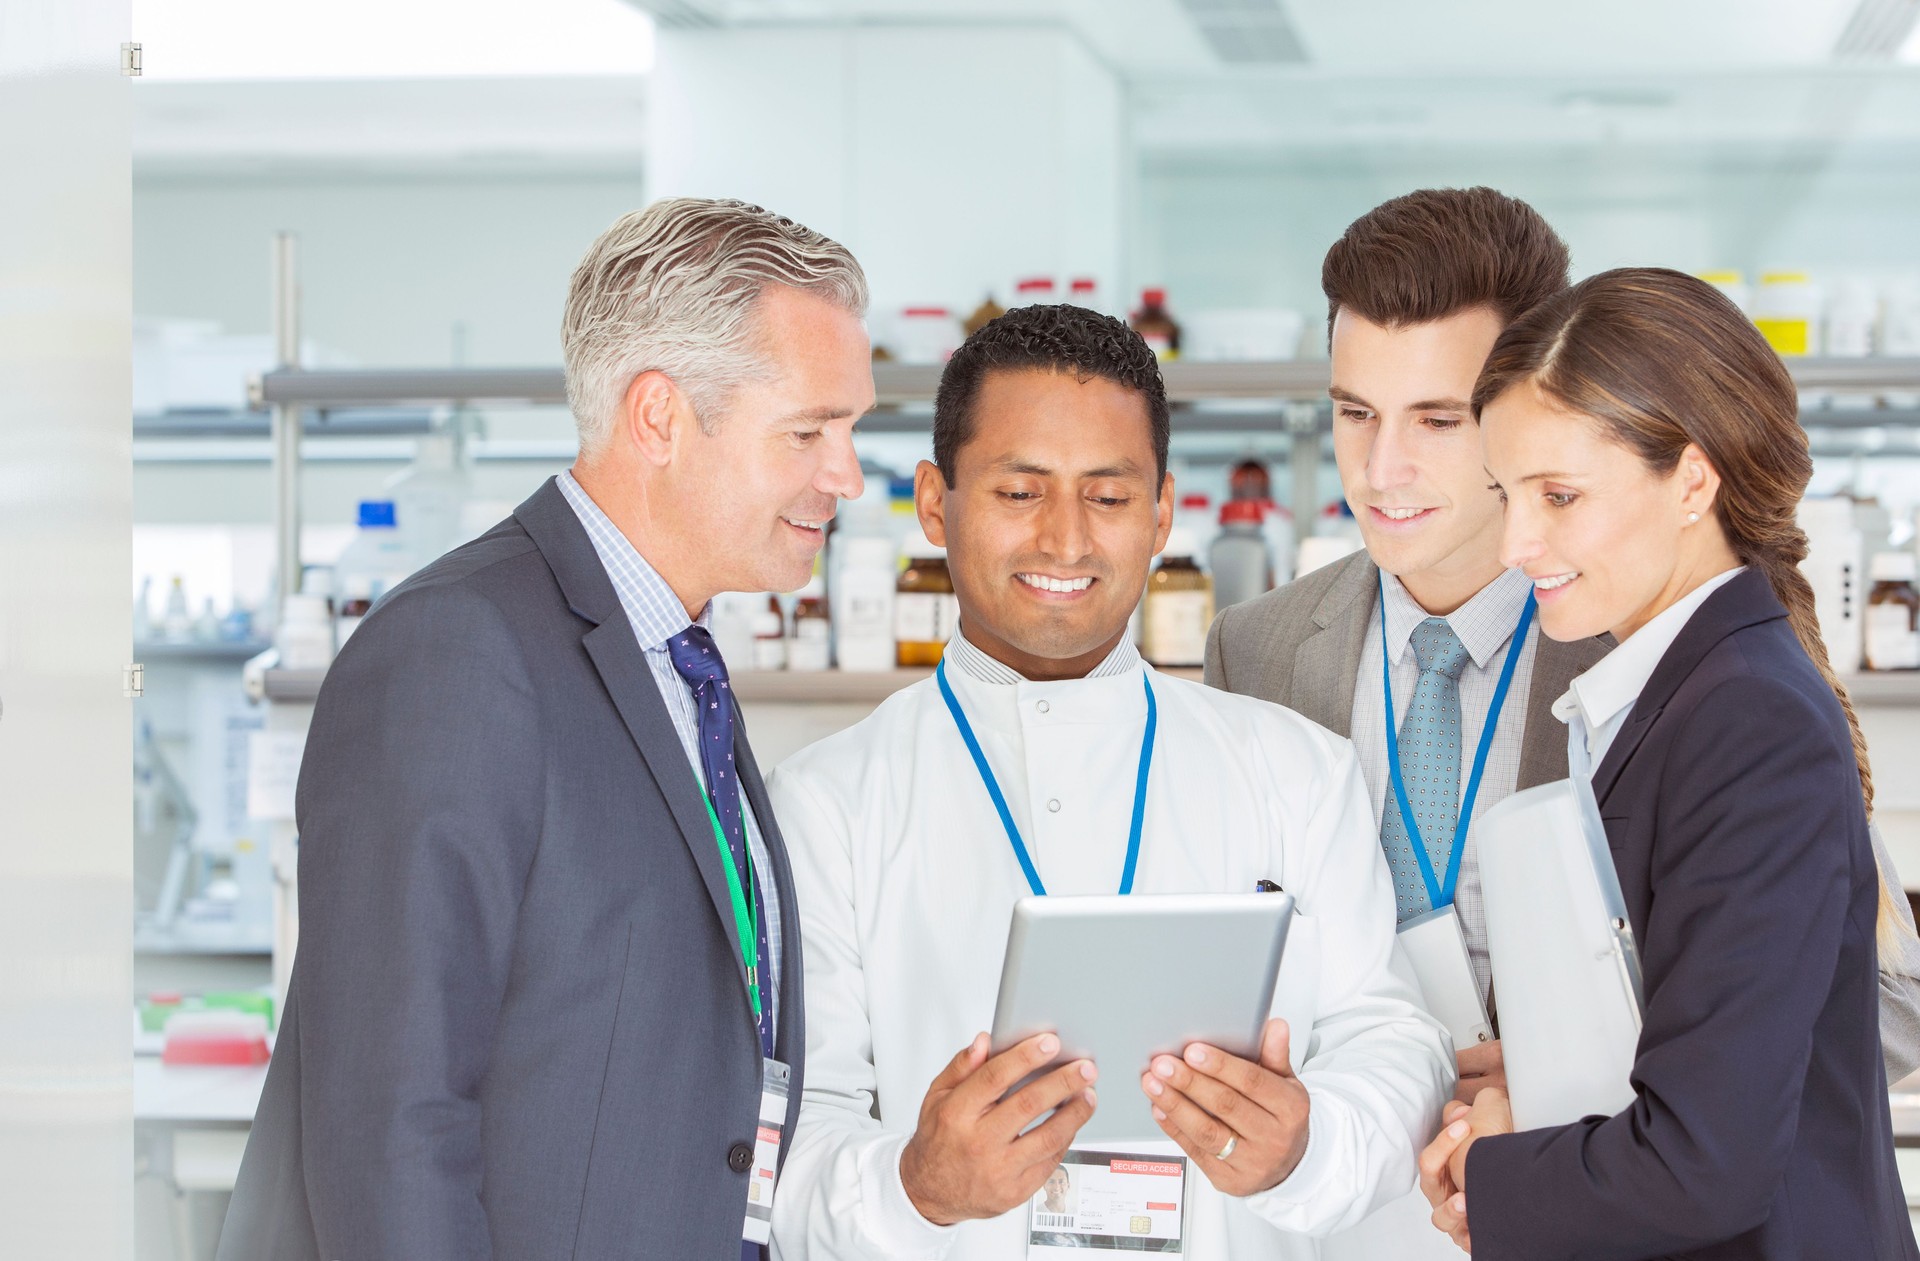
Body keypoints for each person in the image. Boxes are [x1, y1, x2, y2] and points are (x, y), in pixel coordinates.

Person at [218, 198, 873, 1260]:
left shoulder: (680, 664)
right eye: (809, 431)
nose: (845, 474)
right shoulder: (459, 652)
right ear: (658, 416)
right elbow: (391, 1117)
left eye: (851, 430)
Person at [767, 304, 1452, 1260]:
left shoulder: (1295, 770)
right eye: (1019, 492)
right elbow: (784, 1149)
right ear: (934, 501)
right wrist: (916, 1187)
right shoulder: (822, 806)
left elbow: (1395, 1042)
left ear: (1163, 510)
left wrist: (1305, 1148)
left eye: (1109, 495)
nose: (1066, 541)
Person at [1417, 267, 1917, 1260]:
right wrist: (1559, 1072)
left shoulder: (1746, 721)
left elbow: (1706, 1161)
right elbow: (1717, 1044)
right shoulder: (1679, 693)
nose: (1517, 542)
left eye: (1559, 495)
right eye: (1505, 494)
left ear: (1693, 480)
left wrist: (1491, 1172)